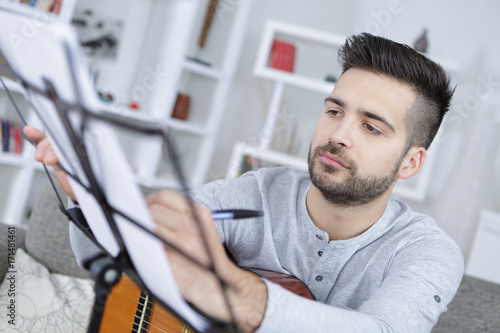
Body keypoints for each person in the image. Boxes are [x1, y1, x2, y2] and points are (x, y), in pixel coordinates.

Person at [25, 33, 464, 332]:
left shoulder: (427, 253)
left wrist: (230, 293)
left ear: (410, 162)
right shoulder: (258, 191)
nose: (338, 134)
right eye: (334, 111)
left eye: (371, 127)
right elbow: (110, 259)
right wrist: (90, 192)